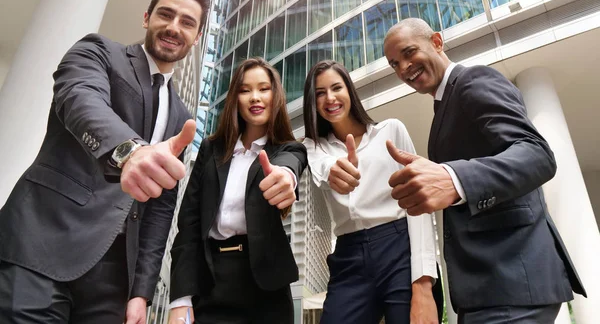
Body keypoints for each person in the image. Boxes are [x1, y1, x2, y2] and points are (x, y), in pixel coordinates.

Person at [0, 0, 208, 323]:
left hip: (114, 278)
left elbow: (160, 209)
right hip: (44, 244)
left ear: (197, 36)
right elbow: (80, 99)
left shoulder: (181, 116)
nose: (174, 27)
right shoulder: (97, 52)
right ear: (146, 17)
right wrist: (130, 152)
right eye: (165, 14)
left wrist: (141, 291)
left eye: (187, 22)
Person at [382, 18, 586, 323]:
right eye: (394, 64)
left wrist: (455, 179)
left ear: (437, 42)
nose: (403, 68)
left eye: (409, 52)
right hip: (489, 288)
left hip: (511, 277)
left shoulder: (472, 80)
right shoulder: (444, 104)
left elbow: (537, 154)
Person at [168, 58, 308, 324]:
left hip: (267, 293)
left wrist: (286, 179)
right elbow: (188, 225)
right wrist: (180, 300)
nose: (255, 97)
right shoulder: (211, 149)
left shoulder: (289, 149)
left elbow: (290, 166)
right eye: (245, 90)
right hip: (210, 283)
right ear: (235, 98)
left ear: (275, 94)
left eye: (264, 89)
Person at [302, 60, 440, 324]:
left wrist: (423, 282)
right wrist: (336, 171)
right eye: (320, 93)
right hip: (348, 256)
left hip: (399, 246)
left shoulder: (391, 131)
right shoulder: (313, 147)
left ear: (349, 91)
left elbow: (419, 204)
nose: (330, 98)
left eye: (336, 88)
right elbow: (322, 171)